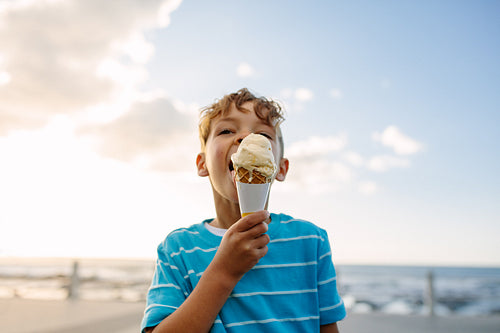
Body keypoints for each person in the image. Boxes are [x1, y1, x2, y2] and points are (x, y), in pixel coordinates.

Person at [141, 88, 346, 332]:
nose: (246, 137)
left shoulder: (310, 241)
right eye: (227, 131)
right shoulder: (178, 249)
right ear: (202, 163)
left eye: (262, 134)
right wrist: (224, 271)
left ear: (280, 168)